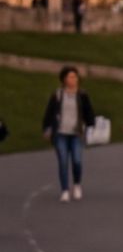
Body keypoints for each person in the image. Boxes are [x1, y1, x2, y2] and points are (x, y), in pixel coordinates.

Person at [42, 67, 94, 202]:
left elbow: (89, 112)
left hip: (76, 133)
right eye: (70, 77)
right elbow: (49, 113)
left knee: (77, 161)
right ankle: (64, 190)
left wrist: (91, 125)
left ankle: (77, 185)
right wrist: (47, 128)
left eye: (75, 77)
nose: (73, 79)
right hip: (60, 133)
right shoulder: (58, 95)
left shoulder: (82, 94)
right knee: (63, 161)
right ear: (64, 79)